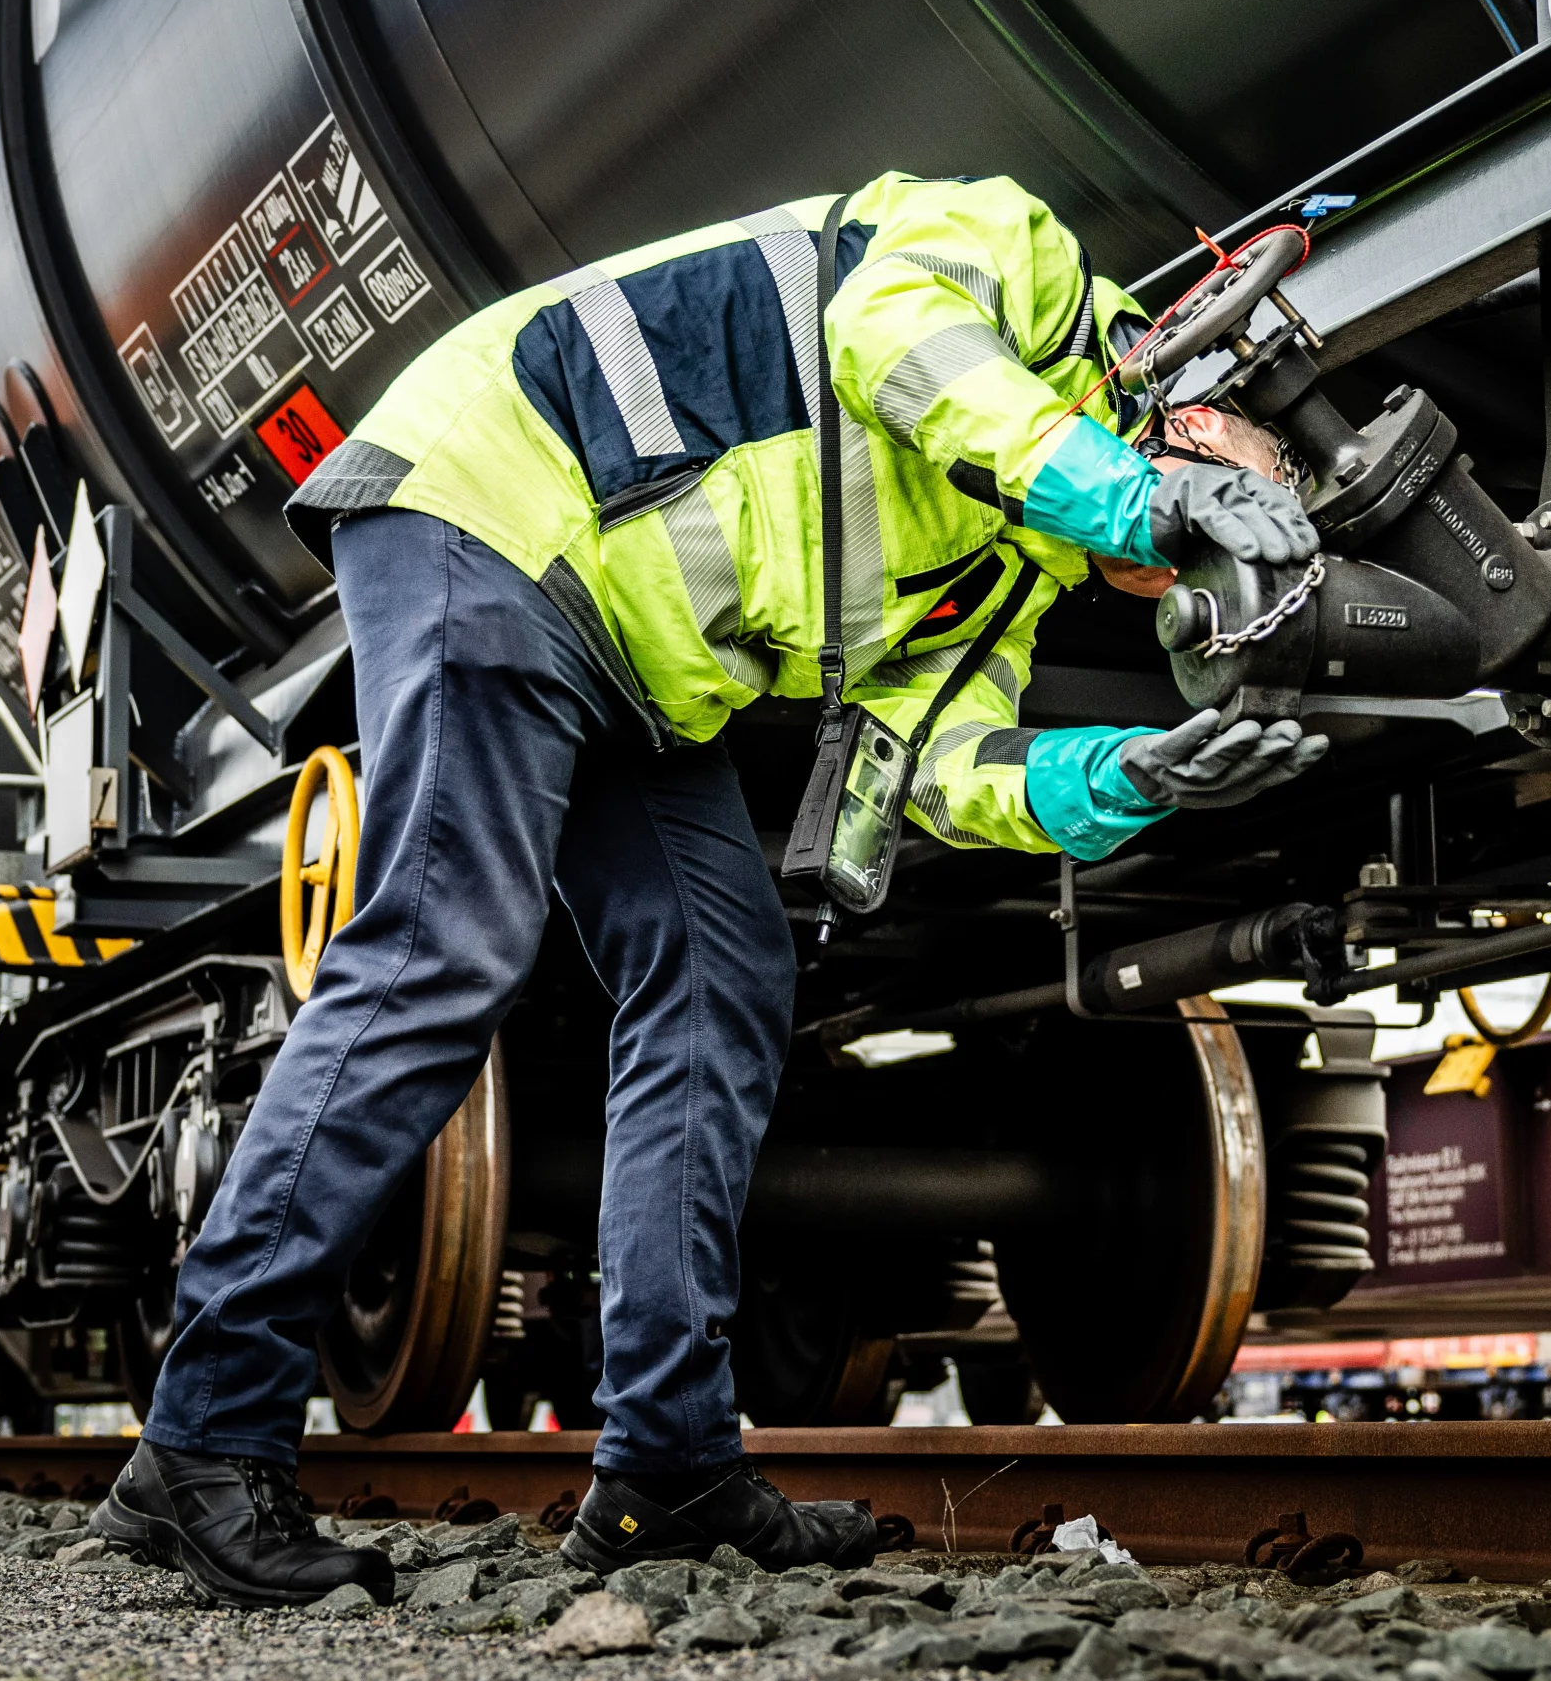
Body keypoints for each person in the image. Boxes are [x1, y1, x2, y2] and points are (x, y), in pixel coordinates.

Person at [97, 172, 1329, 1606]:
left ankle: (666, 1465)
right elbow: (890, 336)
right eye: (1230, 498)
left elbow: (941, 762)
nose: (1183, 564)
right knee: (440, 954)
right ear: (1193, 413)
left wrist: (1141, 772)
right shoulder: (1019, 257)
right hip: (496, 500)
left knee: (723, 975)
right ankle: (207, 1431)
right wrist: (1139, 499)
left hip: (631, 653)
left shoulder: (1008, 566)